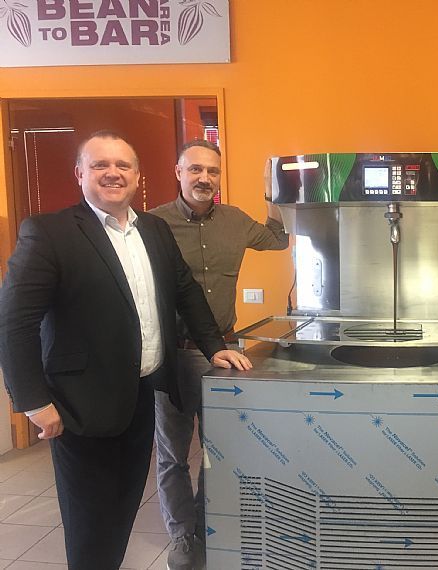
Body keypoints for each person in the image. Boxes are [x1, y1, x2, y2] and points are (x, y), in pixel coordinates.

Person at [0, 131, 252, 570]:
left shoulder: (153, 229)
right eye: (100, 164)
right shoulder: (49, 233)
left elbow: (185, 290)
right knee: (90, 520)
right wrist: (33, 401)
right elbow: (14, 322)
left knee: (122, 507)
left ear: (137, 176)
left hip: (140, 395)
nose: (113, 173)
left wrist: (214, 346)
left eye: (123, 165)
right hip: (80, 405)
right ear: (80, 173)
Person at [150, 140, 289, 569]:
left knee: (219, 451)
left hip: (224, 355)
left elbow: (279, 240)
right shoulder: (152, 224)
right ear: (178, 172)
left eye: (212, 171)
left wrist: (271, 193)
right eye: (195, 169)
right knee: (173, 454)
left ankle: (205, 527)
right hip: (171, 356)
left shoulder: (236, 221)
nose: (204, 178)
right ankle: (181, 535)